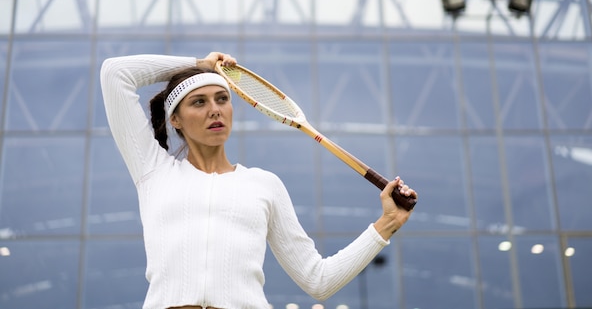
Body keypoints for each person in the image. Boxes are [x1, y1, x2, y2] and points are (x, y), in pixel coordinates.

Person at [100, 52, 418, 309]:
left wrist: (388, 222)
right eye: (199, 102)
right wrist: (200, 65)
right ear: (175, 119)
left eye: (222, 99)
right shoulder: (153, 170)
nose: (215, 110)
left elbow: (318, 280)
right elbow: (115, 73)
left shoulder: (264, 185)